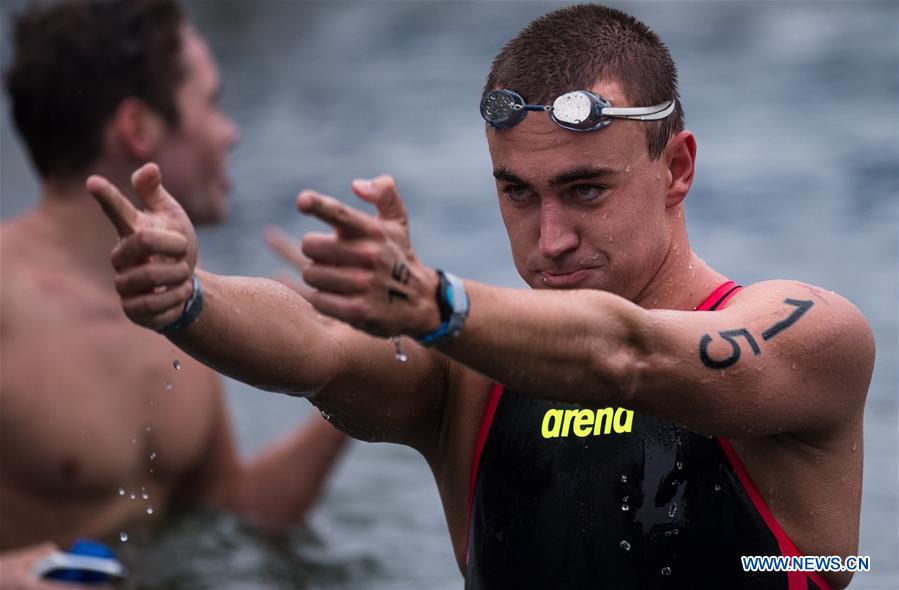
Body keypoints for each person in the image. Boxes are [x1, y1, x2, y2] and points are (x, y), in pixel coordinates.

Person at [86, 4, 874, 589]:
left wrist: (437, 304)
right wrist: (187, 297)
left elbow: (628, 354)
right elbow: (316, 347)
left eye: (585, 190)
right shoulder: (470, 383)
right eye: (517, 193)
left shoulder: (808, 336)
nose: (550, 238)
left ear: (676, 169)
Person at [0, 0, 346, 586]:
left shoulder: (186, 308)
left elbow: (240, 514)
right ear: (138, 128)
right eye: (211, 102)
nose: (230, 131)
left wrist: (351, 358)